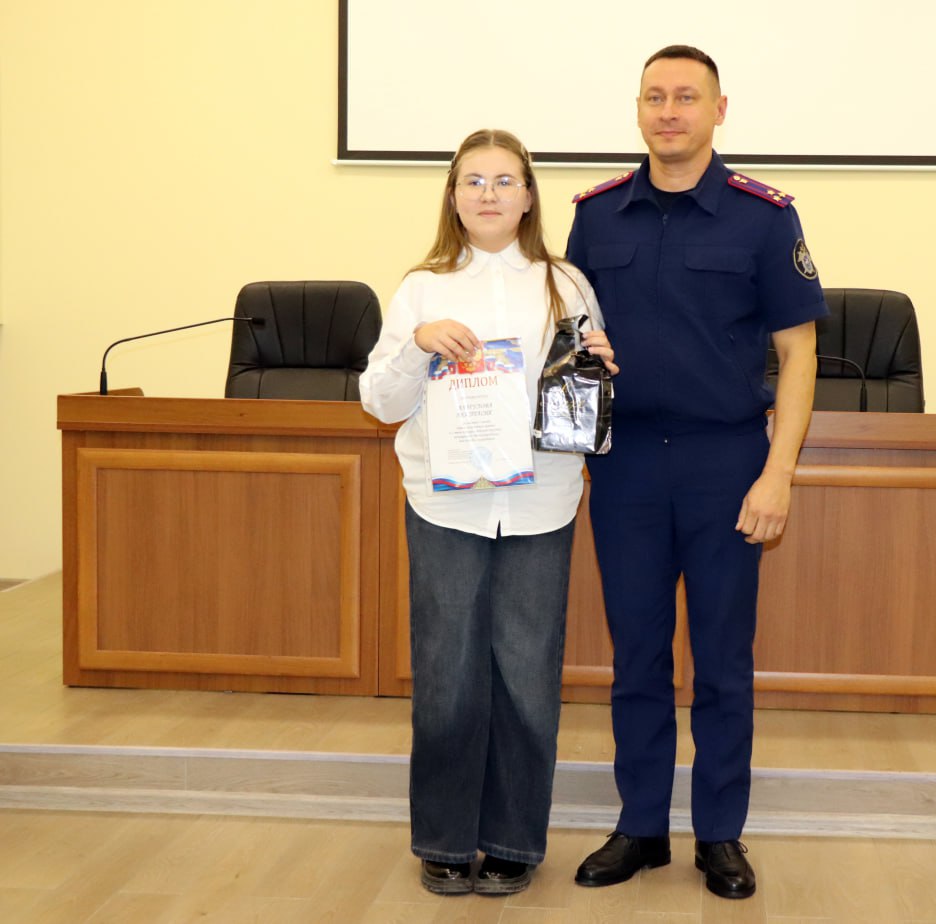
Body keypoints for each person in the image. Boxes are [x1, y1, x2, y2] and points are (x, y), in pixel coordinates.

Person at [566, 46, 826, 900]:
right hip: (628, 465)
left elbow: (798, 354)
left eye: (686, 97)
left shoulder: (763, 217)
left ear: (720, 110)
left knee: (721, 659)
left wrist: (778, 474)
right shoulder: (597, 217)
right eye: (654, 97)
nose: (668, 111)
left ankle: (720, 834)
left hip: (726, 463)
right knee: (637, 657)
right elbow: (571, 342)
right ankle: (641, 827)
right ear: (638, 109)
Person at [360, 129, 617, 897]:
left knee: (528, 679)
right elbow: (379, 403)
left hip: (540, 504)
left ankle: (512, 841)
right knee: (447, 677)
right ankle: (443, 839)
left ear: (530, 196)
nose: (489, 194)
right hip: (446, 509)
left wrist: (601, 372)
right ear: (452, 196)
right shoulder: (422, 288)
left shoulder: (566, 285)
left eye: (506, 180)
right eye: (473, 180)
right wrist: (417, 345)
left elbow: (588, 411)